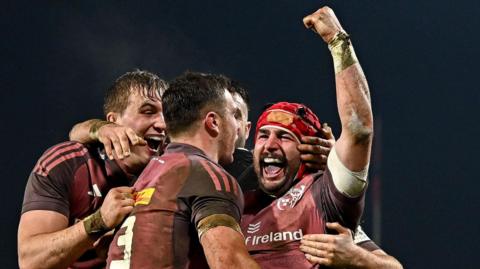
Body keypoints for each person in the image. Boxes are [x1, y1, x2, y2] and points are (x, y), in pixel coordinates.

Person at [240, 6, 375, 268]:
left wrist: (337, 41)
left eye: (285, 137)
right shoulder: (235, 200)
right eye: (263, 135)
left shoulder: (324, 194)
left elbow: (359, 130)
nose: (270, 145)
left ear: (309, 149)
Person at [106, 72, 260, 269]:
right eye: (233, 114)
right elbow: (229, 263)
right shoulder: (208, 175)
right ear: (213, 122)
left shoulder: (149, 172)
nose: (237, 128)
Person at [17, 70, 168, 269]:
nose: (163, 124)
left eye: (167, 114)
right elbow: (30, 262)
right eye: (148, 111)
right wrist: (99, 222)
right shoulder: (69, 163)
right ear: (113, 121)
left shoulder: (172, 168)